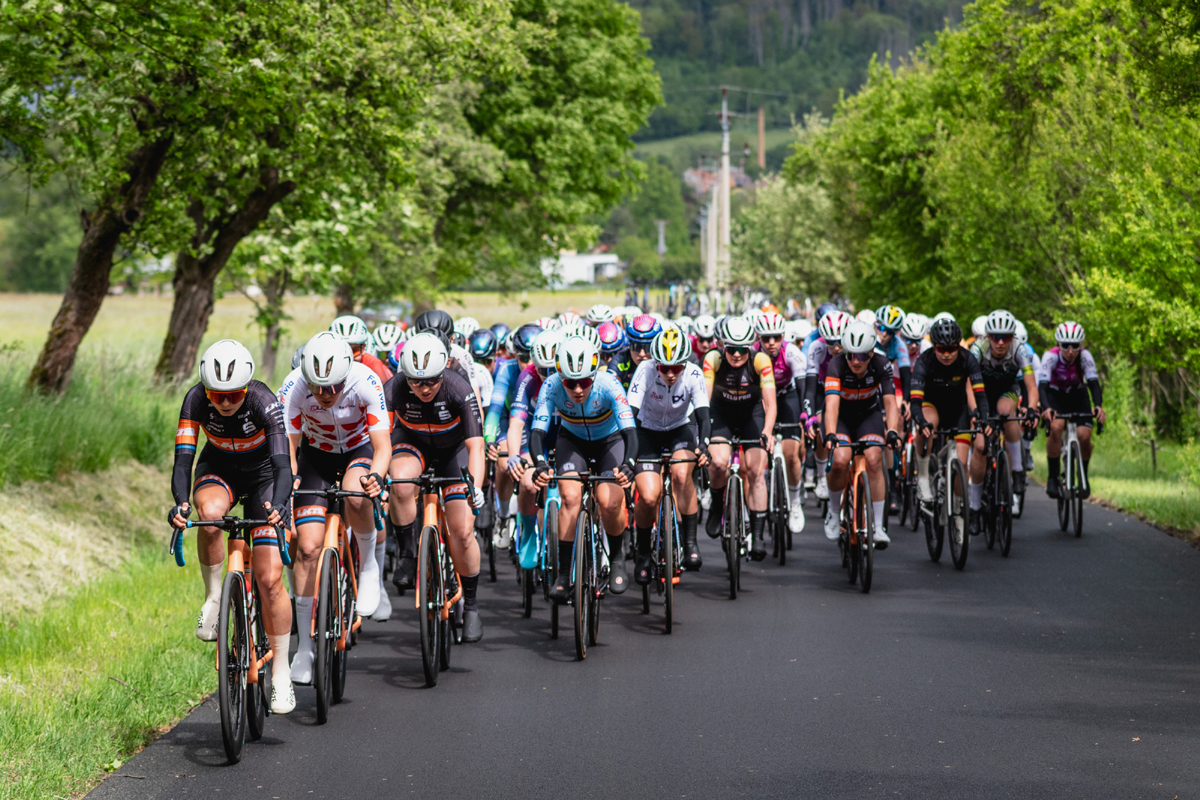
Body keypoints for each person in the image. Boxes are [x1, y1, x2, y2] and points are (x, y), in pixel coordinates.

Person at [169, 340, 296, 714]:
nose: (224, 402)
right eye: (217, 395)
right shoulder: (195, 399)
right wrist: (180, 503)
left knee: (269, 579)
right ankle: (213, 598)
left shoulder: (263, 400)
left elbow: (283, 465)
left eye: (233, 394)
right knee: (208, 516)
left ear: (246, 386)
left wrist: (281, 504)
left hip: (264, 477)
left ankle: (282, 671)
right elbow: (183, 461)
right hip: (219, 468)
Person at [284, 332, 390, 683]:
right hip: (315, 456)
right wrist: (289, 484)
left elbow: (383, 446)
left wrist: (377, 476)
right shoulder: (294, 386)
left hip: (359, 450)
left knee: (356, 495)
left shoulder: (366, 380)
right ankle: (304, 647)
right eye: (318, 387)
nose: (326, 393)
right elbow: (288, 449)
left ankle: (369, 565)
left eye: (333, 386)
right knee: (307, 548)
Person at [385, 333, 488, 642]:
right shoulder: (394, 387)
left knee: (462, 532)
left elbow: (476, 447)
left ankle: (472, 605)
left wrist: (475, 487)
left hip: (453, 450)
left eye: (431, 380)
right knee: (400, 482)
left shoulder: (458, 388)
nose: (425, 388)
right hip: (412, 442)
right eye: (417, 382)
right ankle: (407, 553)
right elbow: (379, 439)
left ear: (443, 371)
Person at [528, 336, 638, 602]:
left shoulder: (610, 384)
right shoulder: (551, 385)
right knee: (570, 498)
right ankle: (565, 573)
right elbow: (537, 433)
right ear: (560, 377)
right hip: (572, 440)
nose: (578, 390)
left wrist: (629, 463)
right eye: (570, 383)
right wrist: (540, 462)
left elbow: (630, 433)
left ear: (594, 375)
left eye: (585, 382)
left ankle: (617, 558)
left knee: (609, 502)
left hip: (609, 440)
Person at [628, 327, 711, 577]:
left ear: (685, 363)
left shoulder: (694, 373)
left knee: (682, 476)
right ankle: (643, 552)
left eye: (676, 367)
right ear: (656, 363)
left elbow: (703, 416)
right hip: (646, 430)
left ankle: (690, 543)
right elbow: (630, 414)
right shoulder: (645, 370)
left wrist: (704, 444)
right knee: (649, 496)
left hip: (680, 428)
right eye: (664, 368)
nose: (671, 373)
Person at [703, 316, 777, 560]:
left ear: (750, 347)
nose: (736, 355)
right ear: (722, 346)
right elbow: (704, 399)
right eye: (731, 349)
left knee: (756, 472)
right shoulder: (713, 359)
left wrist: (767, 431)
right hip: (721, 414)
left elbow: (770, 402)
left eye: (742, 350)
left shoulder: (760, 360)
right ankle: (716, 506)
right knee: (718, 463)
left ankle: (758, 535)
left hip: (751, 415)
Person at [821, 321, 901, 548]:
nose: (855, 361)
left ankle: (878, 526)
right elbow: (832, 405)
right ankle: (833, 512)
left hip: (868, 415)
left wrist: (892, 431)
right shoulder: (836, 365)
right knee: (840, 460)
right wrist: (830, 434)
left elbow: (890, 403)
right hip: (841, 417)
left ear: (872, 353)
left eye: (862, 356)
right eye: (851, 355)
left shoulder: (882, 364)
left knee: (874, 458)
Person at [911, 317, 991, 537]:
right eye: (941, 349)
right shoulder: (924, 361)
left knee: (961, 465)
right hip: (931, 405)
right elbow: (915, 402)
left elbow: (980, 395)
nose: (946, 354)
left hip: (958, 410)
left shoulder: (968, 359)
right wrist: (920, 421)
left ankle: (957, 510)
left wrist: (984, 418)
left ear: (958, 346)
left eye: (951, 349)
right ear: (933, 346)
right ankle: (923, 476)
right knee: (928, 424)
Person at [505, 329, 562, 574]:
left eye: (553, 370)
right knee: (528, 483)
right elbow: (516, 423)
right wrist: (513, 456)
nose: (548, 376)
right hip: (535, 435)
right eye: (543, 370)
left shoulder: (573, 376)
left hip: (567, 435)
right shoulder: (527, 377)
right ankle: (529, 531)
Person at [969, 310, 1039, 496]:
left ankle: (1017, 470)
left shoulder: (1019, 349)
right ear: (987, 336)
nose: (1000, 342)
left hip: (1006, 390)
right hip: (981, 393)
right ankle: (974, 505)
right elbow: (968, 384)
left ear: (1013, 337)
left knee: (1006, 412)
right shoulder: (978, 348)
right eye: (995, 337)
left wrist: (1031, 410)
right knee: (980, 447)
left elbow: (1031, 386)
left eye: (1005, 337)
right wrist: (974, 410)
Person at [754, 310, 808, 534]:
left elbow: (803, 387)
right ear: (759, 338)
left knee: (791, 454)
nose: (771, 343)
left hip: (787, 397)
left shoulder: (792, 352)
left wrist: (805, 414)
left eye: (776, 337)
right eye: (766, 338)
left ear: (783, 336)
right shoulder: (752, 354)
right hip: (761, 398)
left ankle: (795, 502)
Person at [1038, 321, 1104, 499]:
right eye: (1065, 345)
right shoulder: (1050, 357)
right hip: (1055, 395)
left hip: (1078, 395)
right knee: (1056, 427)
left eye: (1075, 346)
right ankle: (1053, 477)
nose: (1070, 351)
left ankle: (1083, 476)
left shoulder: (1085, 357)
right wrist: (1046, 408)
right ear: (1058, 344)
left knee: (1085, 436)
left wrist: (1098, 406)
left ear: (1080, 345)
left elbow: (1094, 384)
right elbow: (1042, 387)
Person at [803, 310, 853, 502]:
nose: (836, 347)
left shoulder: (854, 348)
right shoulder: (816, 347)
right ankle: (822, 475)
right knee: (819, 427)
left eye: (840, 341)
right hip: (822, 390)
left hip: (847, 392)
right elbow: (809, 388)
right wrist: (810, 415)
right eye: (830, 342)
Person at [331, 315, 393, 384]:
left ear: (363, 348)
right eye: (342, 351)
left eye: (354, 351)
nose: (348, 358)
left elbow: (385, 389)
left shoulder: (374, 365)